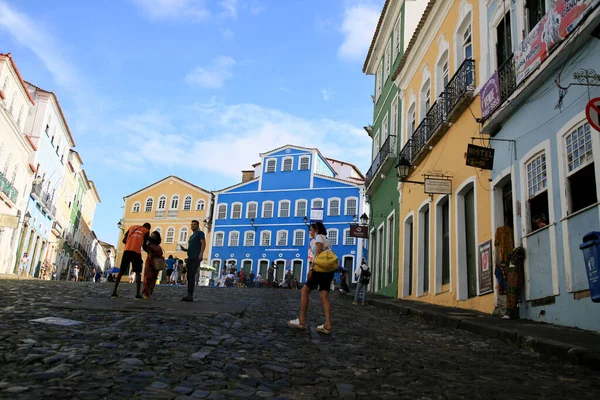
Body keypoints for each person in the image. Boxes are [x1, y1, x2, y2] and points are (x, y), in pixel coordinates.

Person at [288, 222, 334, 334]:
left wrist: (311, 269)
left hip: (319, 270)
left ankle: (302, 320)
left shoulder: (318, 237)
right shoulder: (327, 240)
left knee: (304, 291)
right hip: (328, 271)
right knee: (324, 295)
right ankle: (328, 324)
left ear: (316, 229)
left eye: (311, 229)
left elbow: (317, 254)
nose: (310, 232)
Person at [111, 223, 151, 299]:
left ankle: (114, 292)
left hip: (127, 251)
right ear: (148, 228)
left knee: (121, 271)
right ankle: (137, 294)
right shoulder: (146, 231)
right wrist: (149, 252)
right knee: (138, 272)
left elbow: (123, 240)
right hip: (136, 252)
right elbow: (144, 245)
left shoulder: (132, 227)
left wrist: (130, 242)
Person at [178, 220, 206, 302]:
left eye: (194, 225)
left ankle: (190, 294)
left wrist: (201, 253)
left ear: (198, 226)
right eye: (192, 225)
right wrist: (185, 250)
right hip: (190, 257)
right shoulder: (191, 236)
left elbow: (203, 243)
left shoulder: (200, 233)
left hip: (195, 257)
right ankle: (188, 294)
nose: (193, 226)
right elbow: (192, 247)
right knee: (189, 276)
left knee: (191, 275)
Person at [142, 231, 163, 299]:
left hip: (157, 263)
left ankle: (149, 291)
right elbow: (145, 248)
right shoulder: (149, 243)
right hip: (150, 262)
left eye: (154, 235)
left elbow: (160, 253)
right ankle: (145, 292)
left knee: (154, 278)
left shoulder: (158, 246)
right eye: (152, 235)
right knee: (148, 277)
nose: (152, 236)